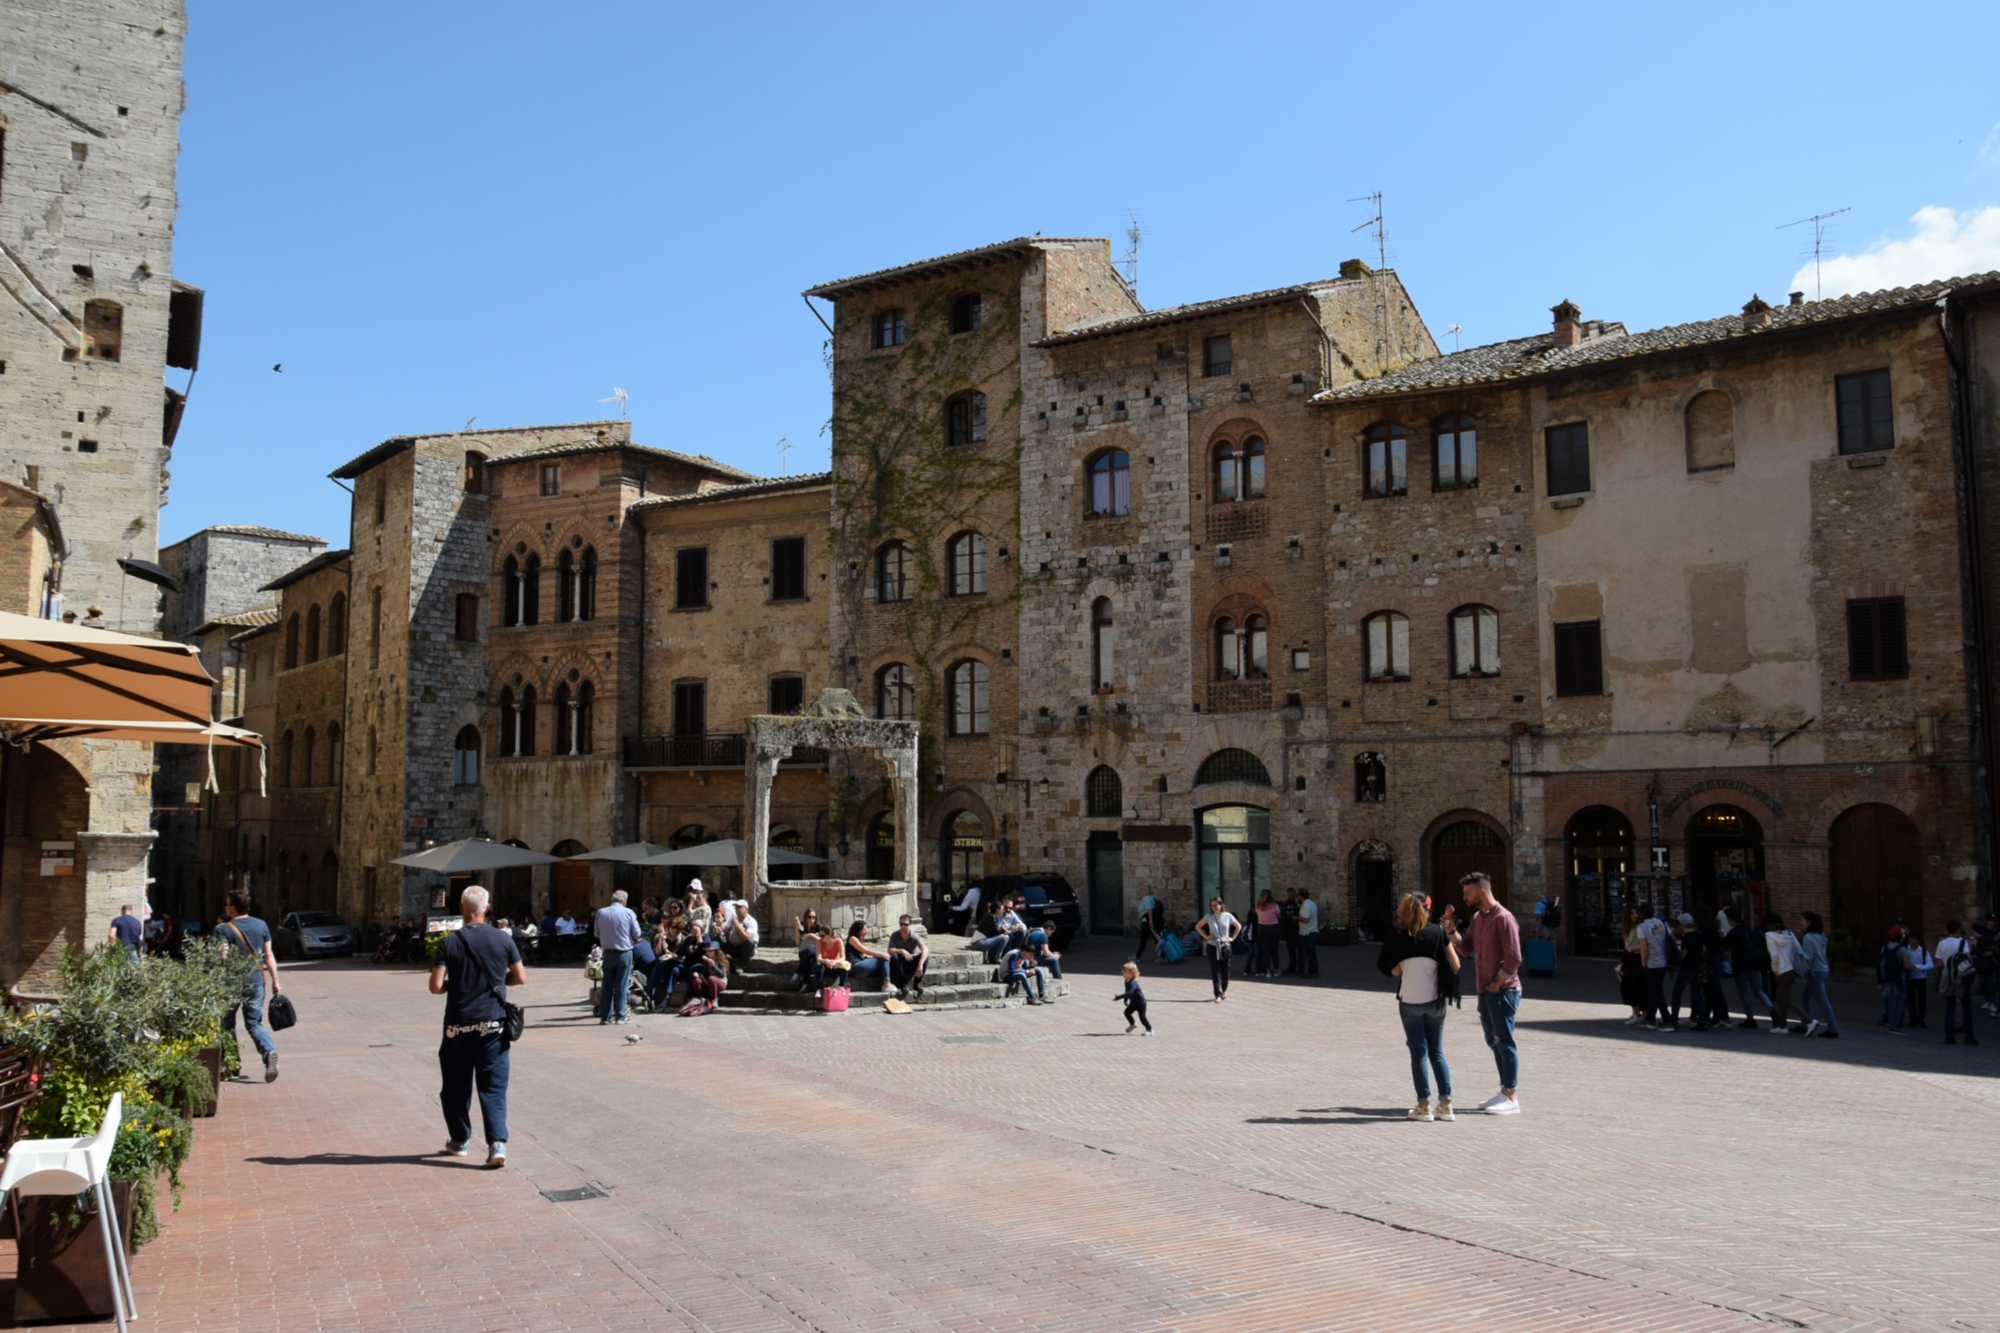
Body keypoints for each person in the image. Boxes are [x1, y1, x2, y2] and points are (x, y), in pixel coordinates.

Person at [429, 886, 522, 1168]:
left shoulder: (450, 941)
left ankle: (459, 1140)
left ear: (461, 907)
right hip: (493, 1023)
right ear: (487, 908)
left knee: (455, 1087)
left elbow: (435, 986)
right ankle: (497, 1145)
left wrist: (453, 985)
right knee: (492, 1087)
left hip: (459, 1024)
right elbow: (520, 977)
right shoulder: (502, 939)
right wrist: (496, 982)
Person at [1377, 891, 1460, 1122]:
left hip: (1410, 1000)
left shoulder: (1398, 934)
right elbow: (1456, 963)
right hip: (1435, 999)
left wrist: (1406, 965)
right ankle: (1446, 1104)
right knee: (1437, 1051)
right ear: (1427, 908)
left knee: (1418, 1054)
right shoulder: (1437, 932)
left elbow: (1390, 970)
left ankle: (1424, 1106)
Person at [1450, 872, 1520, 1114]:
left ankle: (1511, 1096)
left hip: (1502, 991)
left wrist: (1497, 983)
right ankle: (1504, 1091)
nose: (1464, 897)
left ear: (1482, 891)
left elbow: (1514, 957)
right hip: (1485, 991)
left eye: (1467, 892)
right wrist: (1452, 933)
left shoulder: (1504, 918)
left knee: (1505, 1042)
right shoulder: (1478, 918)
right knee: (1494, 1042)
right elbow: (1467, 949)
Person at [216, 890, 283, 1083]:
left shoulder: (223, 929)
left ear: (233, 908)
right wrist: (275, 980)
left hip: (232, 983)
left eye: (227, 905)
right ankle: (269, 1052)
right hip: (256, 981)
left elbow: (223, 956)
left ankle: (232, 1066)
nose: (225, 908)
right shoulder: (261, 925)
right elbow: (269, 955)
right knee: (254, 1023)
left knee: (227, 1024)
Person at [594, 888, 642, 1024]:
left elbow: (596, 933)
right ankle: (620, 1016)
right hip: (624, 952)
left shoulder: (601, 912)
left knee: (607, 985)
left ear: (612, 900)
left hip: (608, 952)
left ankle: (605, 1017)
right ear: (624, 902)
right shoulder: (628, 912)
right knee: (622, 985)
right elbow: (637, 934)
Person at [1723, 907, 1772, 1030]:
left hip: (1742, 966)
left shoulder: (1735, 932)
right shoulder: (1750, 929)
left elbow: (1724, 945)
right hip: (1756, 964)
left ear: (1731, 919)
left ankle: (1750, 1018)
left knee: (1743, 992)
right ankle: (1772, 1009)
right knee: (1759, 991)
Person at [1794, 912, 1839, 1038]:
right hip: (1822, 969)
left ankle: (1832, 1029)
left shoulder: (1808, 937)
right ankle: (1805, 1024)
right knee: (1805, 996)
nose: (1800, 922)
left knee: (1822, 1000)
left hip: (1815, 972)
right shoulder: (1821, 936)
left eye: (1802, 920)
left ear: (1809, 922)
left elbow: (1808, 956)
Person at [1939, 920, 1981, 1045]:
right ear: (1958, 930)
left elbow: (1940, 963)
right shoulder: (1963, 943)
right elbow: (1969, 961)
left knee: (1950, 1006)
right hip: (1961, 977)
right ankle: (1969, 1036)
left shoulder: (1941, 943)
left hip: (1948, 977)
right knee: (1967, 1005)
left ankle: (1949, 1036)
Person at [1666, 913, 1709, 1032]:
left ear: (1682, 924)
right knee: (1697, 995)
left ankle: (1673, 1019)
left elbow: (1683, 955)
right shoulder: (1698, 935)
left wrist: (1675, 954)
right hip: (1697, 969)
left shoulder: (1687, 938)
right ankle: (1702, 1021)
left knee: (1677, 994)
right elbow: (1703, 950)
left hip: (1686, 969)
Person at [1195, 897, 1240, 1002]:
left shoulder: (1228, 916)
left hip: (1224, 946)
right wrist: (1206, 937)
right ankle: (1217, 995)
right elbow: (1198, 927)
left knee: (1225, 970)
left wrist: (1232, 938)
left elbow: (1238, 926)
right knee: (1215, 970)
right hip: (1212, 946)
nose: (1214, 907)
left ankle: (1224, 989)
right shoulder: (1209, 916)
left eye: (1216, 905)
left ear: (1221, 905)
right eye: (1212, 905)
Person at [1633, 902, 1670, 1029]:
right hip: (1663, 961)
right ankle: (1650, 1018)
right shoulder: (1662, 923)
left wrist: (1643, 964)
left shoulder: (1642, 927)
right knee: (1654, 990)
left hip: (1651, 963)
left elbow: (1644, 948)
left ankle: (1667, 1020)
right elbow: (1669, 938)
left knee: (1657, 992)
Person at [1764, 912, 1803, 1033]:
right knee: (1781, 998)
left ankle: (1810, 1021)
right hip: (1790, 970)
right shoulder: (1790, 934)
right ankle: (1782, 1026)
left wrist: (1775, 970)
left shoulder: (1770, 935)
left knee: (1785, 1000)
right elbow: (1799, 950)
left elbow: (1774, 955)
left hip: (1781, 971)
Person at [1617, 904, 1647, 1024]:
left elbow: (1647, 943)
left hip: (1639, 957)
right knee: (1628, 985)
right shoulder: (1627, 927)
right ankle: (1636, 1013)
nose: (1635, 915)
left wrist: (1632, 948)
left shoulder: (1641, 926)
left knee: (1636, 985)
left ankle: (1642, 1014)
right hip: (1630, 958)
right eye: (1632, 913)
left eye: (1636, 913)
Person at [886, 914, 929, 999]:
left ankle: (917, 983)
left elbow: (925, 949)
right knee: (894, 956)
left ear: (910, 925)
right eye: (901, 924)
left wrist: (920, 964)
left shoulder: (914, 936)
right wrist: (902, 950)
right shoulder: (895, 935)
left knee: (925, 957)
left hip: (910, 961)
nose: (903, 926)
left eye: (905, 924)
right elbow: (890, 950)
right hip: (899, 963)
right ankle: (903, 984)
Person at [844, 920, 892, 993]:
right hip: (856, 967)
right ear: (858, 930)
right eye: (864, 929)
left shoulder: (859, 939)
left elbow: (861, 954)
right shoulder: (852, 938)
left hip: (859, 966)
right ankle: (886, 984)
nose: (866, 931)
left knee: (883, 961)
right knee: (883, 958)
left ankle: (887, 982)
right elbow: (865, 950)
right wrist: (881, 954)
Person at [1876, 929, 1908, 1035]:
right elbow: (1907, 965)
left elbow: (1879, 963)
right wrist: (1915, 967)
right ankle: (1895, 1025)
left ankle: (1890, 1021)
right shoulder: (1901, 949)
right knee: (1898, 1002)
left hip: (1887, 978)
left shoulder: (1884, 947)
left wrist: (1880, 980)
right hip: (1899, 978)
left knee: (1890, 1001)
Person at [1902, 932, 1932, 1030]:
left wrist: (1916, 967)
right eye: (1912, 939)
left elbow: (1930, 965)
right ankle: (1913, 1019)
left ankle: (1921, 1019)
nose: (1913, 941)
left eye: (1916, 939)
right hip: (1909, 978)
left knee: (1922, 999)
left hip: (1921, 978)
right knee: (1911, 1000)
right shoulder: (1905, 950)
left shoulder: (1923, 951)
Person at [1002, 938, 1047, 1004]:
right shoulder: (1015, 955)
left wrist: (1032, 966)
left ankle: (1042, 995)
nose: (1031, 956)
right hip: (1006, 975)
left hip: (1015, 973)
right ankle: (1032, 997)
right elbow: (1011, 970)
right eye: (1030, 954)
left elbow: (1026, 967)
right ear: (1024, 952)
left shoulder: (1023, 955)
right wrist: (1026, 972)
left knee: (1038, 970)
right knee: (1022, 975)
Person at [722, 899, 759, 970]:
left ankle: (741, 966)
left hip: (745, 950)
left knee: (750, 942)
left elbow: (746, 938)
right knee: (718, 938)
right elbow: (724, 932)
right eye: (736, 908)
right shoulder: (733, 919)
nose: (737, 910)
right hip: (733, 947)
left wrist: (737, 925)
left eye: (740, 907)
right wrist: (719, 932)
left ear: (746, 909)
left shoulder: (751, 921)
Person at [1252, 890, 1281, 977]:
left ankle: (1267, 971)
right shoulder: (1275, 906)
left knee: (1266, 950)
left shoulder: (1258, 907)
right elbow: (1279, 916)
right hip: (1273, 927)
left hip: (1262, 928)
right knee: (1274, 950)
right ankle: (1275, 970)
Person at [1117, 961, 1152, 1034]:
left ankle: (1150, 1030)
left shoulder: (1133, 982)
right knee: (1127, 1013)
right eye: (1122, 972)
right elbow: (1127, 991)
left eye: (1124, 972)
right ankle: (1133, 1024)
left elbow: (1129, 993)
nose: (1122, 974)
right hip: (1133, 1003)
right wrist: (1125, 999)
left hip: (1141, 1003)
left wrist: (1118, 997)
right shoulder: (1126, 981)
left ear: (1131, 973)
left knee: (1142, 1018)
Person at [793, 908, 824, 991]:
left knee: (810, 952)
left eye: (814, 917)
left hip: (815, 951)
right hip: (803, 951)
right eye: (809, 917)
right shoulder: (802, 926)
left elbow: (823, 941)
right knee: (808, 958)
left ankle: (800, 975)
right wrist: (796, 928)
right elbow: (798, 943)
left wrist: (811, 935)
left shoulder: (819, 927)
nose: (812, 920)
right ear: (805, 917)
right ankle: (805, 982)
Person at [1296, 891, 1321, 979]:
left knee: (1310, 954)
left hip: (1308, 932)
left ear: (1301, 896)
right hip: (1313, 931)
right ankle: (1314, 971)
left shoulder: (1306, 906)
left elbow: (1306, 920)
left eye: (1298, 896)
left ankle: (1312, 972)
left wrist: (1297, 918)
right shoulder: (1312, 904)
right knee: (1312, 953)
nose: (1297, 898)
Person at [1134, 892, 1163, 962]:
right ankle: (1163, 956)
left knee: (1146, 939)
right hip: (1152, 921)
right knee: (1157, 939)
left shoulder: (1146, 899)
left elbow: (1149, 910)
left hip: (1147, 921)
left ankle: (1137, 956)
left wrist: (1150, 922)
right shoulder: (1153, 899)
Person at [1280, 890, 1302, 975]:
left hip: (1297, 930)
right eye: (1288, 895)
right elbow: (1282, 916)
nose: (1289, 897)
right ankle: (1292, 967)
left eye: (1291, 895)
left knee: (1300, 950)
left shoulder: (1298, 905)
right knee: (1291, 950)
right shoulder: (1285, 904)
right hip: (1288, 930)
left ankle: (1300, 968)